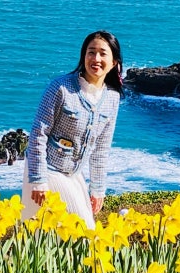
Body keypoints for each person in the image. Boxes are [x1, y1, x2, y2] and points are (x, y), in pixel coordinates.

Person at [22, 30, 123, 229]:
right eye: (91, 52)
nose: (96, 58)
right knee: (82, 231)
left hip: (73, 175)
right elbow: (38, 134)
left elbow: (101, 149)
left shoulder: (112, 99)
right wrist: (38, 179)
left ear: (114, 63)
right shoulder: (60, 88)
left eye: (103, 53)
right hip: (46, 170)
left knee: (54, 239)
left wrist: (98, 189)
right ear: (83, 56)